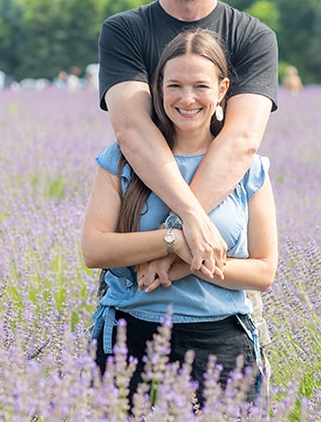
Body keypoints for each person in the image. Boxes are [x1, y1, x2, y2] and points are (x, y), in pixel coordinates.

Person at [96, 0, 279, 379]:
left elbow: (241, 142)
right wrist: (189, 226)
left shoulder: (252, 37)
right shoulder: (125, 31)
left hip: (217, 305)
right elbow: (132, 132)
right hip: (136, 298)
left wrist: (175, 250)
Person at [83, 28, 279, 405]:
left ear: (223, 89)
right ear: (158, 89)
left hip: (221, 343)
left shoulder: (249, 169)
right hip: (129, 336)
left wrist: (187, 263)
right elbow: (94, 250)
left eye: (200, 86)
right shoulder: (123, 158)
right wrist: (174, 240)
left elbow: (263, 271)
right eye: (174, 85)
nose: (187, 98)